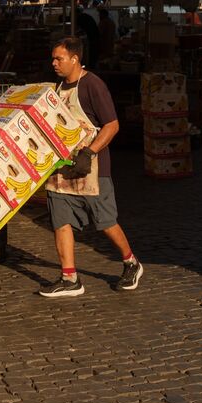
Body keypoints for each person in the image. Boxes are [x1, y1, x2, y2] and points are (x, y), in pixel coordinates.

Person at [39, 35, 143, 297]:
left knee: (105, 220)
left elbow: (112, 124)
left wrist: (89, 152)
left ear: (75, 59)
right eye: (53, 58)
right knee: (60, 220)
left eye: (58, 58)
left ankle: (131, 262)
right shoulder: (58, 87)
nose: (54, 63)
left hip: (92, 168)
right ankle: (70, 278)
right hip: (62, 167)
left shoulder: (93, 85)